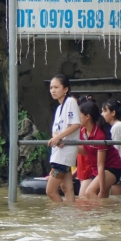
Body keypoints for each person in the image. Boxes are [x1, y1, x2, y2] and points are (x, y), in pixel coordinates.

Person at [46, 74, 80, 203]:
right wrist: (57, 138)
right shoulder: (59, 107)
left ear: (65, 89)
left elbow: (76, 124)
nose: (53, 90)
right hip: (58, 151)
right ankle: (69, 215)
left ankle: (61, 214)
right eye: (51, 88)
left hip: (64, 154)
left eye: (56, 87)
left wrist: (60, 138)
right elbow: (55, 130)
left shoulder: (70, 102)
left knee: (50, 191)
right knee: (66, 187)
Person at [77, 100, 121, 199]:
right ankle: (103, 213)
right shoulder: (82, 131)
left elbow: (101, 165)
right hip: (97, 170)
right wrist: (71, 146)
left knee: (89, 192)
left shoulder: (99, 135)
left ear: (88, 116)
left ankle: (97, 214)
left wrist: (102, 190)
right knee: (91, 198)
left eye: (79, 116)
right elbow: (86, 151)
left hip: (111, 167)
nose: (77, 119)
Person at [103, 99, 121, 196]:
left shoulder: (117, 127)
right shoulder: (118, 126)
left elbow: (113, 149)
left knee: (116, 202)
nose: (102, 114)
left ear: (113, 113)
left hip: (119, 169)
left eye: (104, 111)